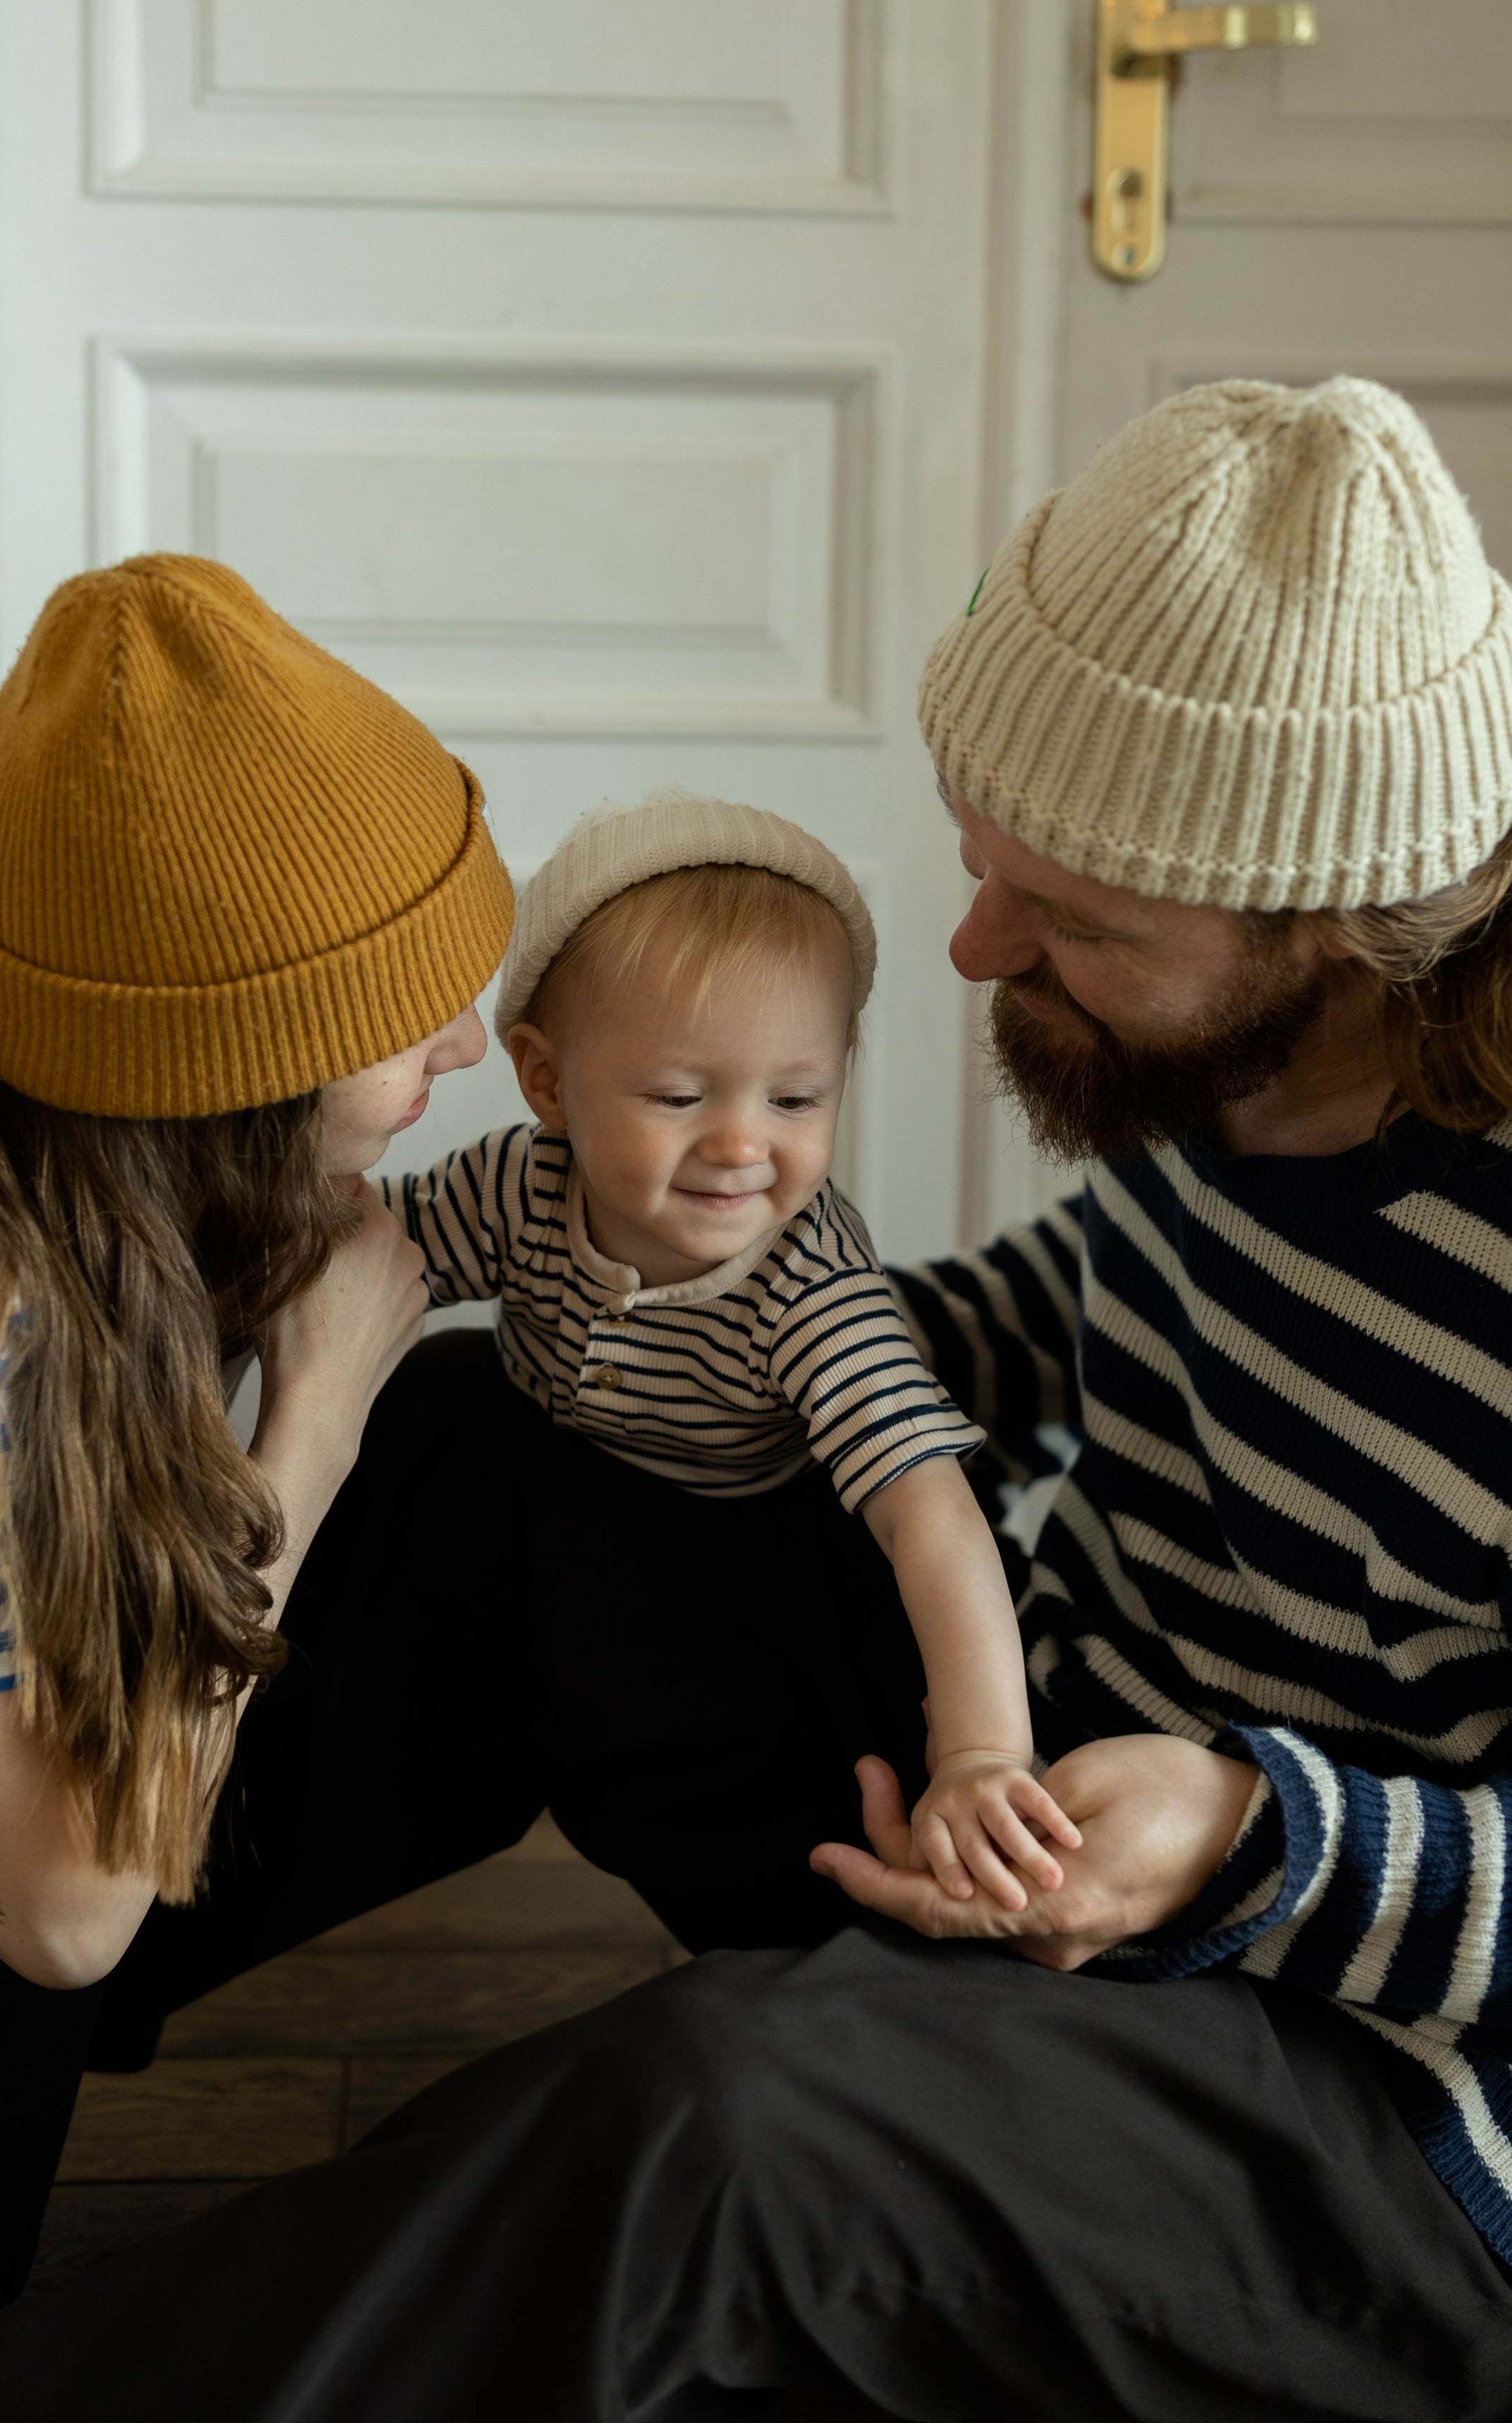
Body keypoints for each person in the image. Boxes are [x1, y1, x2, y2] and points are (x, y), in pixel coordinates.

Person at [0, 375, 1512, 2423]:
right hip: (1039, 1805)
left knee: (710, 2123)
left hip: (1374, 2093)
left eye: (1072, 926)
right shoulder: (1229, 1068)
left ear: (1333, 923)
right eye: (988, 871)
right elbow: (1059, 1332)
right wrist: (741, 1319)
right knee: (490, 1448)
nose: (972, 951)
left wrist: (1250, 1836)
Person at [0, 552, 514, 2423]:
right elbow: (58, 1910)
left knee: (464, 1456)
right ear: (224, 1066)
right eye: (410, 1018)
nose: (462, 1047)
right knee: (50, 1832)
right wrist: (304, 1419)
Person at [388, 790, 1079, 1909]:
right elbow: (369, 1251)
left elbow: (929, 1512)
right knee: (431, 1404)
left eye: (797, 1097)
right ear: (549, 1081)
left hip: (765, 1545)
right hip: (572, 1498)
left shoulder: (808, 1288)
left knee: (780, 1819)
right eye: (677, 1095)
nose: (742, 1144)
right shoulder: (522, 1184)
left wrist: (982, 1753)